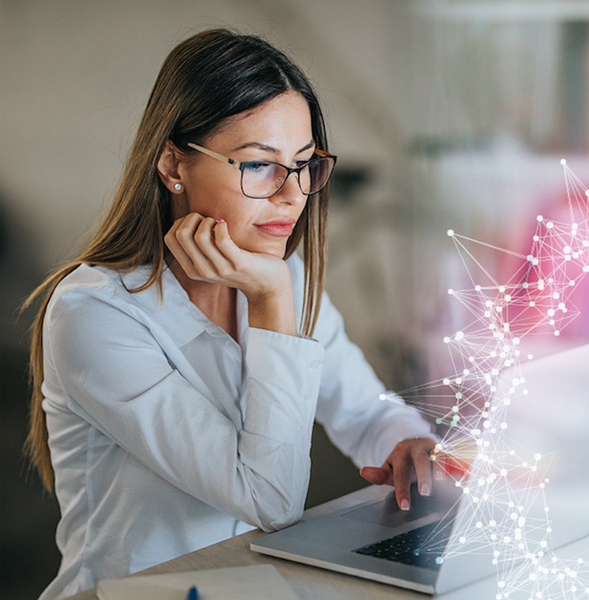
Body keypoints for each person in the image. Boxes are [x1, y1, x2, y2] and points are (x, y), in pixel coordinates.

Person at [24, 29, 443, 600]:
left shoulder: (283, 276)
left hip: (246, 587)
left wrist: (406, 442)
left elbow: (365, 412)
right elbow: (269, 500)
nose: (293, 195)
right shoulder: (95, 314)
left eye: (303, 165)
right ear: (174, 163)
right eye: (258, 165)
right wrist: (270, 302)